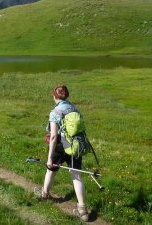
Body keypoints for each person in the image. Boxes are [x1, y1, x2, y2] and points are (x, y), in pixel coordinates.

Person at [37, 84, 89, 222]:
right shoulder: (74, 108)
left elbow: (53, 136)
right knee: (76, 175)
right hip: (75, 146)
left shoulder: (55, 112)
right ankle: (83, 210)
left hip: (60, 146)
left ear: (55, 96)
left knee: (51, 170)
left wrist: (49, 158)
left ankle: (45, 194)